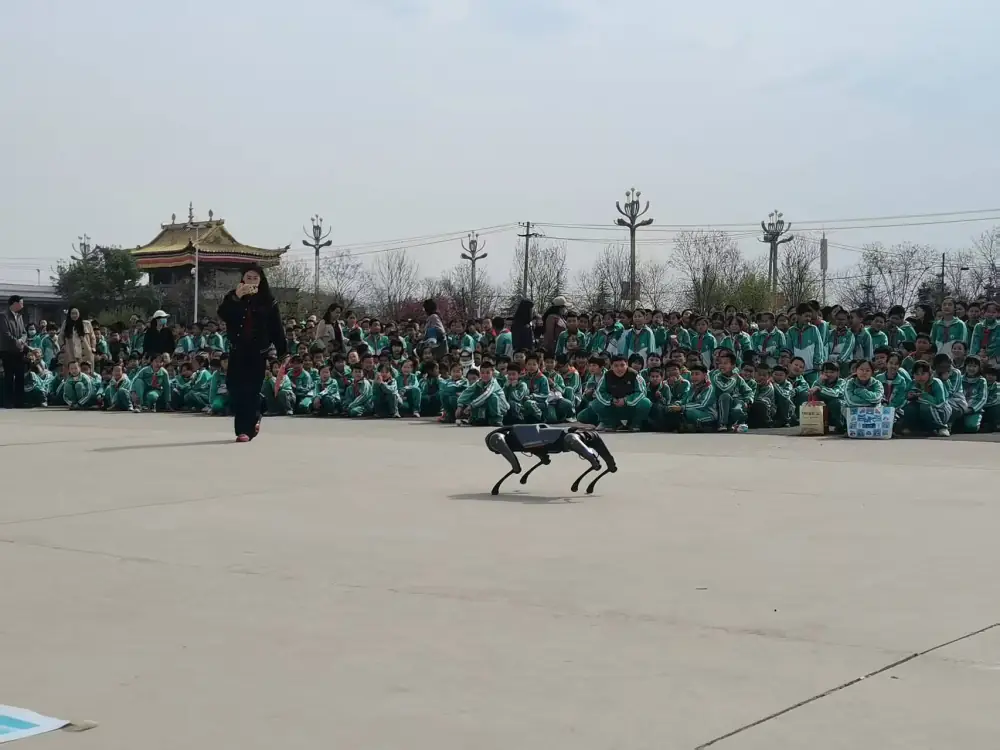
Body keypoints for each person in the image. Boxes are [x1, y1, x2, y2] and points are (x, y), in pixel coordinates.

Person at [217, 265, 286, 441]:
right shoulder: (233, 296)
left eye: (255, 278)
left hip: (258, 352)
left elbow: (276, 328)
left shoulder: (268, 301)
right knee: (234, 388)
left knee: (251, 390)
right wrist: (236, 298)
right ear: (243, 279)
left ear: (261, 280)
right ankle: (260, 407)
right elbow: (223, 314)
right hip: (237, 351)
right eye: (249, 277)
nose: (252, 281)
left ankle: (245, 430)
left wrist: (283, 352)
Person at [0, 295, 28, 407]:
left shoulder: (20, 316)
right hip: (8, 351)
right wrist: (16, 341)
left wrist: (22, 340)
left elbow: (24, 332)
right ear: (14, 303)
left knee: (20, 375)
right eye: (21, 303)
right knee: (9, 376)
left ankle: (19, 402)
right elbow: (5, 333)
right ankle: (8, 401)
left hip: (19, 351)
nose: (22, 305)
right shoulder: (3, 316)